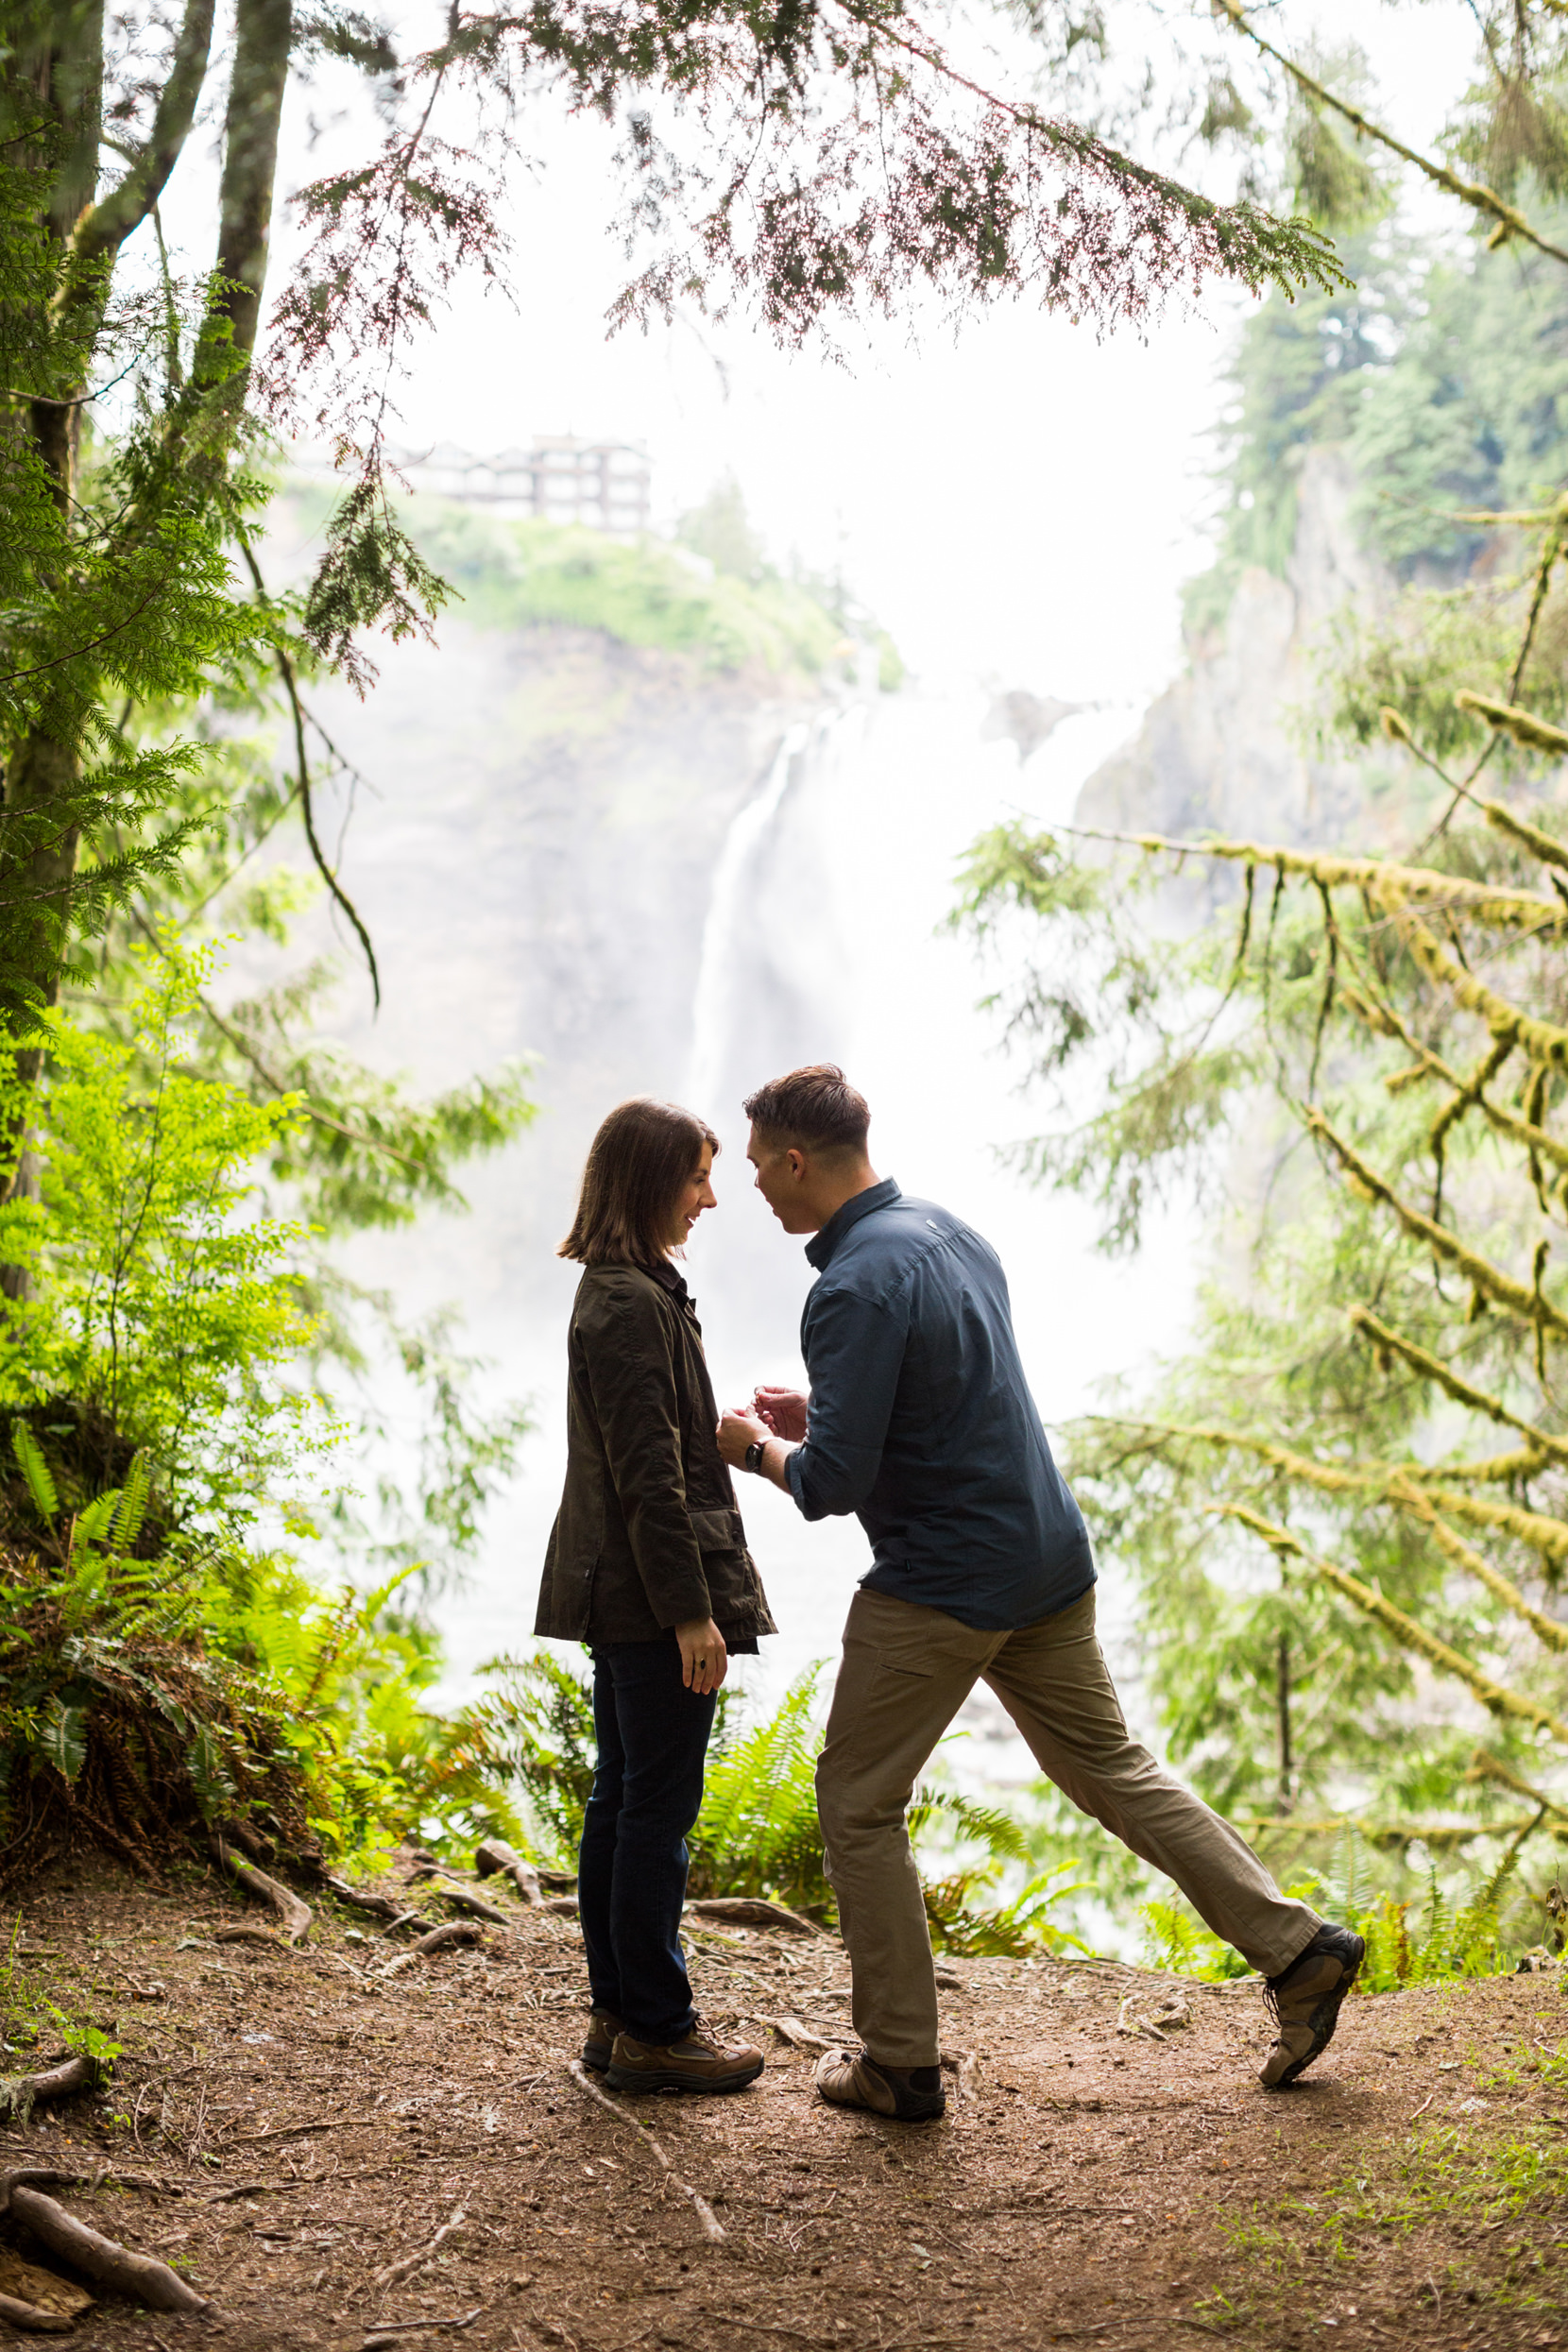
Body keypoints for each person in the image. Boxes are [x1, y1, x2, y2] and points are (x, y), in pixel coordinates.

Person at [716, 1065, 1364, 2122]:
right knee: (1114, 1769)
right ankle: (1297, 1951)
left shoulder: (846, 1286)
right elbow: (941, 1396)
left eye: (756, 1171)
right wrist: (826, 1405)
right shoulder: (949, 1232)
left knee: (857, 1802)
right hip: (1045, 1561)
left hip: (942, 1583)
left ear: (795, 1159)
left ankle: (899, 2062)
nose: (754, 1192)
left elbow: (829, 1487)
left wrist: (754, 1447)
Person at [537, 1097, 774, 2096]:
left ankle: (618, 2017)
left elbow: (653, 1451)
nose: (711, 1199)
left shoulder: (627, 1291)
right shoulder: (630, 1303)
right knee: (655, 1814)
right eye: (695, 1178)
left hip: (624, 1592)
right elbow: (648, 1479)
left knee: (623, 1802)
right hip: (648, 1602)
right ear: (648, 1183)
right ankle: (656, 2029)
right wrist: (691, 1613)